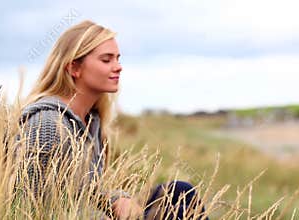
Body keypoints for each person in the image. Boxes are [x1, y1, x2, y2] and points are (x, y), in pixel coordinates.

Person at [16, 20, 208, 219]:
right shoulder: (47, 124)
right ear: (74, 68)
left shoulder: (90, 121)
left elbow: (84, 192)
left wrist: (116, 199)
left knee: (179, 192)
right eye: (107, 60)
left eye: (117, 58)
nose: (118, 67)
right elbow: (39, 206)